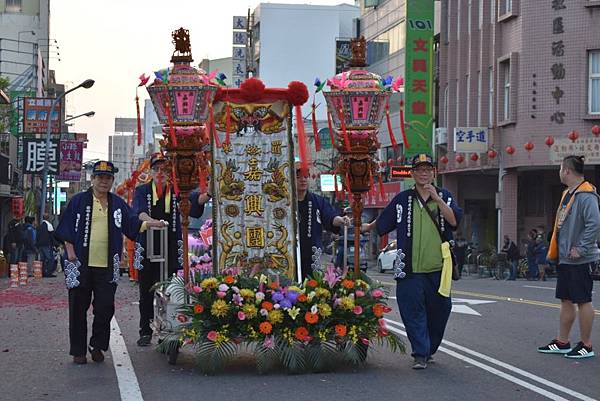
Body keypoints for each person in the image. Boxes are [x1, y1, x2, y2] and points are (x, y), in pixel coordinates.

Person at [55, 160, 165, 365]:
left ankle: (97, 346)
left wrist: (151, 223)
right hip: (79, 263)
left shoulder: (117, 203)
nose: (104, 182)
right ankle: (78, 351)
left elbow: (132, 223)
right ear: (93, 179)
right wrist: (70, 252)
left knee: (105, 307)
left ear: (112, 181)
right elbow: (66, 229)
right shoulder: (78, 201)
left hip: (108, 264)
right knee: (78, 308)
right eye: (100, 177)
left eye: (108, 178)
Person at [362, 154, 462, 370]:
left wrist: (437, 198)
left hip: (439, 268)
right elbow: (385, 220)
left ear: (434, 172)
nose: (424, 173)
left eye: (428, 169)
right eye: (419, 169)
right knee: (411, 311)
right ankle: (420, 353)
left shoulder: (445, 196)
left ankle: (429, 347)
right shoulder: (403, 198)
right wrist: (367, 227)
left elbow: (453, 221)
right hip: (408, 269)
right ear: (413, 173)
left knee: (441, 310)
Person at [132, 153, 209, 347]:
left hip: (171, 248)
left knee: (171, 289)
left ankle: (171, 329)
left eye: (164, 169)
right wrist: (152, 222)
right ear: (150, 171)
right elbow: (139, 212)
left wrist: (208, 193)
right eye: (156, 169)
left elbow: (195, 202)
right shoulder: (142, 191)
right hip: (148, 244)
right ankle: (145, 330)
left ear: (170, 172)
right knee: (146, 292)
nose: (160, 173)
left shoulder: (177, 191)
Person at [538, 155, 599, 359]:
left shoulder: (586, 195)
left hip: (580, 258)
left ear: (567, 171)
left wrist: (580, 249)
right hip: (565, 257)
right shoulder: (568, 194)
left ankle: (586, 345)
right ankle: (562, 341)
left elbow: (594, 224)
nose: (559, 172)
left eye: (560, 168)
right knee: (566, 299)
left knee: (583, 300)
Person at [296, 163, 350, 280]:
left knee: (312, 284)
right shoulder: (286, 202)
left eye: (305, 177)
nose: (303, 180)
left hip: (312, 251)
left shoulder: (317, 201)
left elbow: (330, 217)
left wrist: (341, 220)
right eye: (298, 177)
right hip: (292, 252)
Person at [37, 213, 58, 277]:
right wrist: (56, 244)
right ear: (48, 218)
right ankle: (49, 273)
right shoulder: (49, 225)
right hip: (47, 244)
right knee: (49, 259)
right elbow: (52, 236)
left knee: (42, 259)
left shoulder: (39, 226)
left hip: (40, 245)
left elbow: (37, 236)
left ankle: (42, 272)